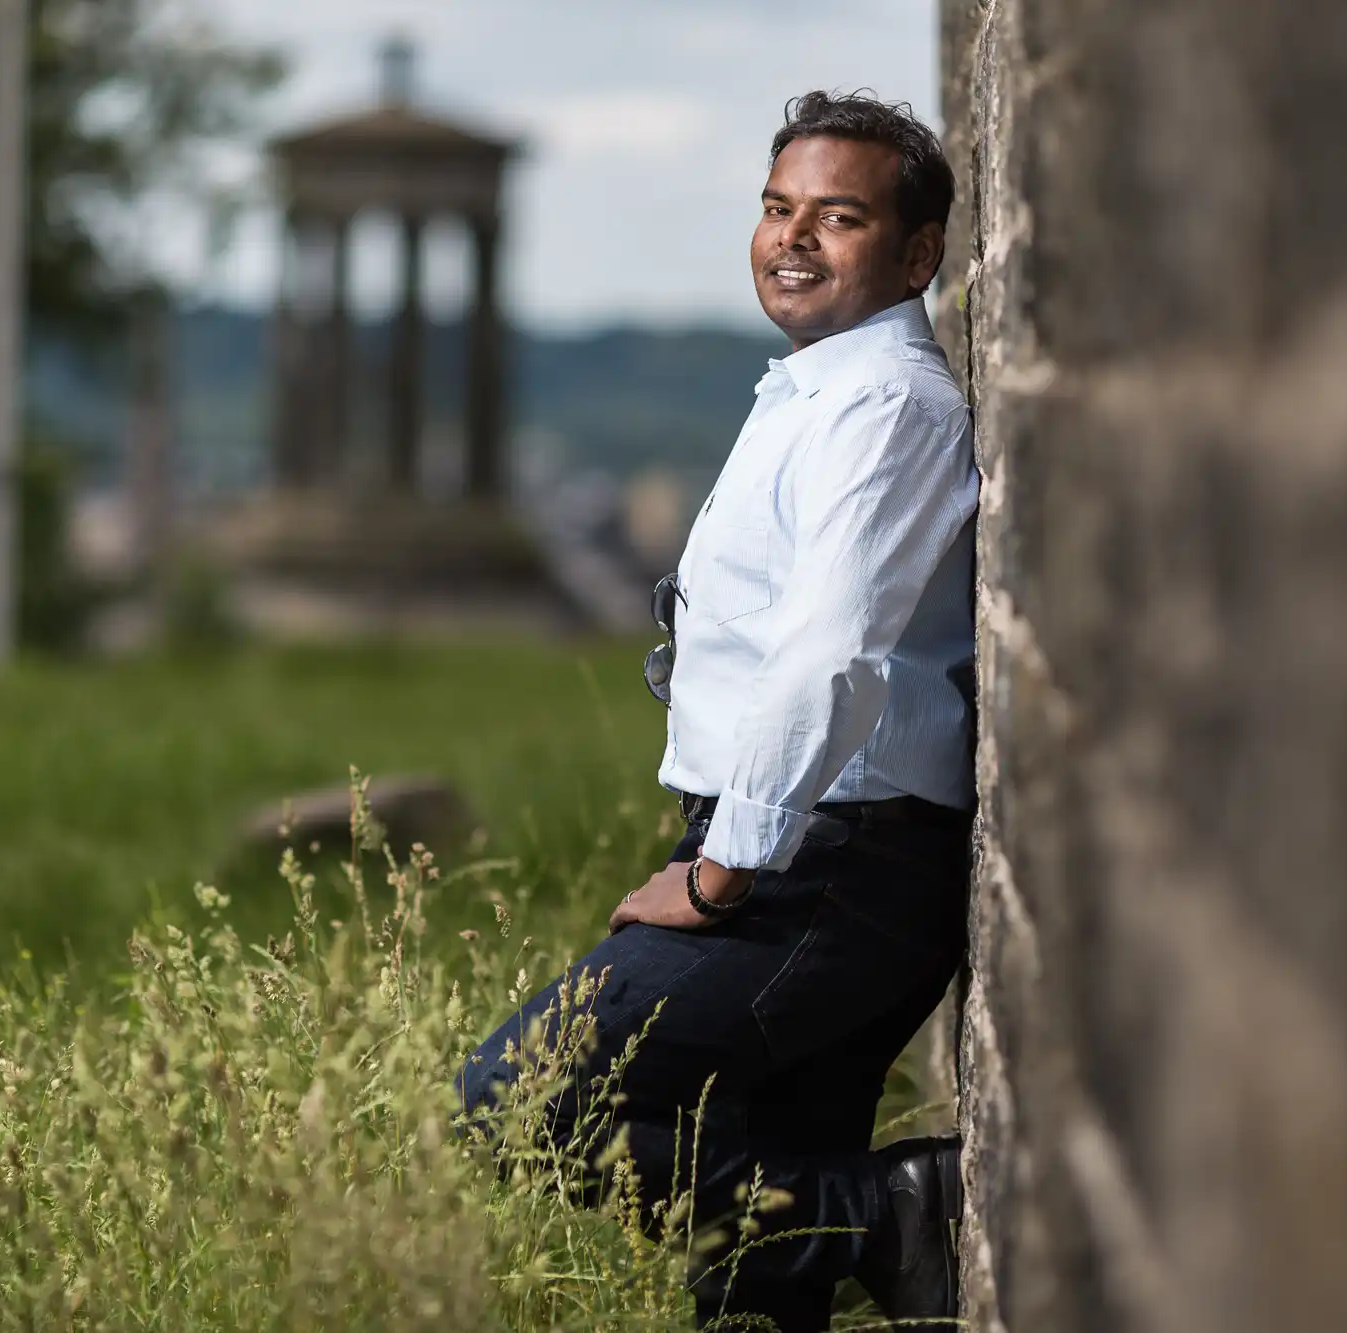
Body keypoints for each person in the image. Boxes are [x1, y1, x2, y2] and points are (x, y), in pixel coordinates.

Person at [459, 90, 976, 1332]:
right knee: (747, 1292)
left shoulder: (885, 407)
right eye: (775, 207)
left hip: (831, 863)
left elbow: (829, 656)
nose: (791, 238)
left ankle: (885, 1211)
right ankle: (847, 1222)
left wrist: (719, 870)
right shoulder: (813, 387)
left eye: (837, 217)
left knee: (514, 1100)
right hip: (808, 846)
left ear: (915, 255)